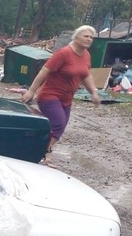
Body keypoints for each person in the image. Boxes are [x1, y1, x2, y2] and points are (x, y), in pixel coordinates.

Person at [21, 25, 101, 162]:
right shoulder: (64, 53)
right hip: (49, 96)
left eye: (91, 37)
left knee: (59, 127)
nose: (89, 39)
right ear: (76, 37)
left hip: (67, 98)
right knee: (58, 123)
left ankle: (36, 148)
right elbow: (44, 71)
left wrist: (93, 92)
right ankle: (45, 152)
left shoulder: (86, 55)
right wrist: (31, 91)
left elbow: (86, 75)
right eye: (86, 36)